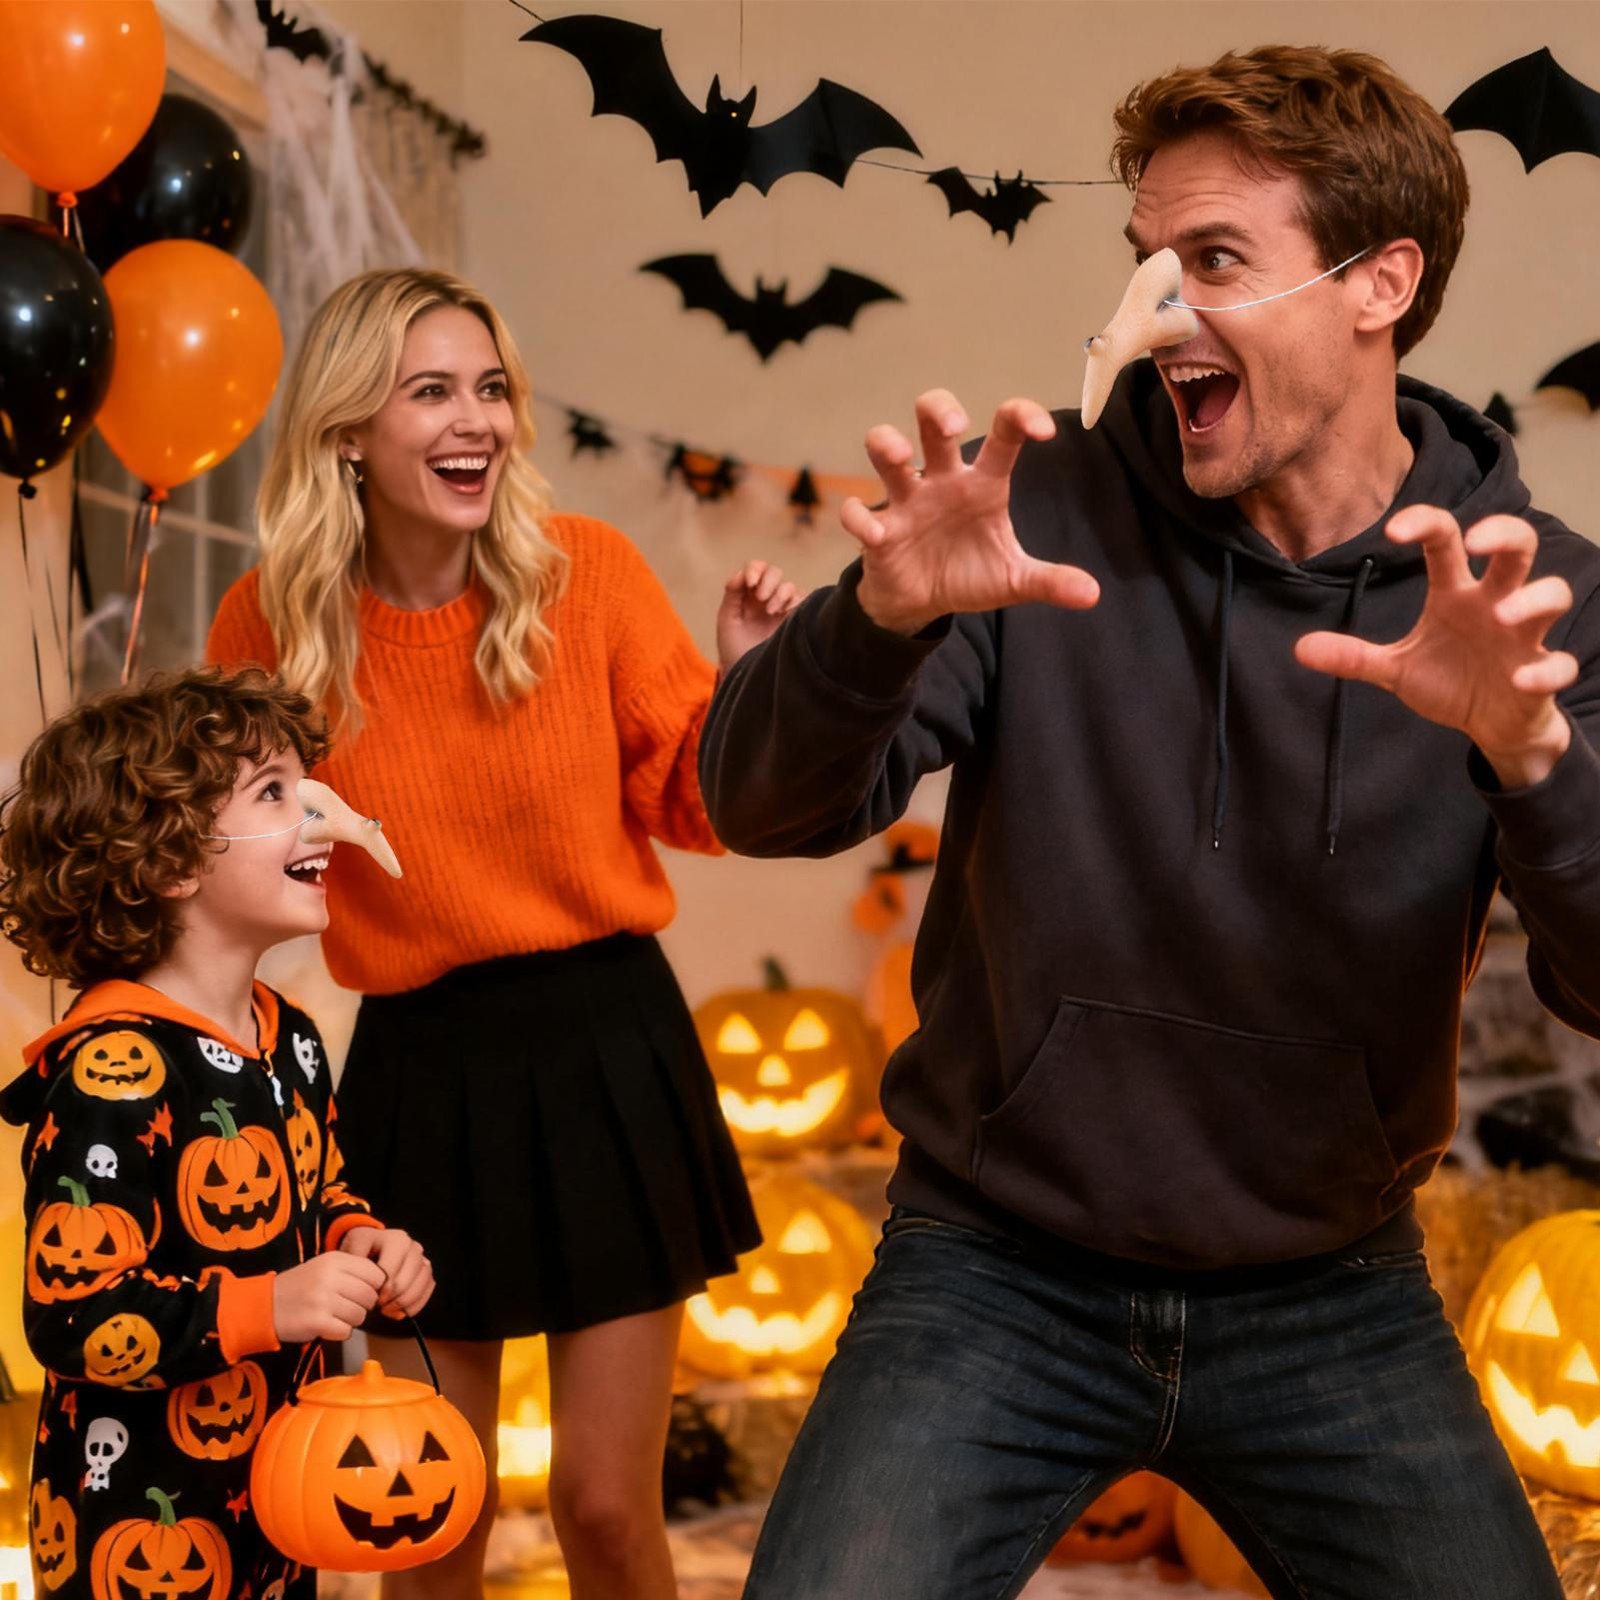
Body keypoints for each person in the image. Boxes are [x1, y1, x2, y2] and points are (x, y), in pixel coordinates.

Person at [701, 45, 1595, 1600]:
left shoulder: (1529, 592)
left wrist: (1533, 763)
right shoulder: (1031, 512)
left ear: (1380, 284)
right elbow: (763, 806)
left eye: (1215, 261)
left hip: (1332, 1287)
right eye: (1145, 263)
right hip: (994, 1266)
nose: (1156, 312)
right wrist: (878, 621)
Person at [207, 267, 798, 1600]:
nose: (475, 419)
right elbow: (228, 849)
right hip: (421, 1072)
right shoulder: (271, 625)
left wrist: (749, 683)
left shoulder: (586, 575)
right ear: (349, 430)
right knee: (426, 1519)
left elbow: (699, 806)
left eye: (490, 388)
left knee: (603, 1504)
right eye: (431, 392)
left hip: (609, 1052)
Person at [0, 666, 434, 1600]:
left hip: (277, 1496)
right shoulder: (111, 1067)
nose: (320, 812)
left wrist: (359, 1240)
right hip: (135, 1530)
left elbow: (316, 1192)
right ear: (169, 862)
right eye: (273, 792)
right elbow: (74, 1317)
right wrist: (267, 1308)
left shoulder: (292, 1039)